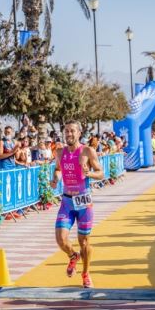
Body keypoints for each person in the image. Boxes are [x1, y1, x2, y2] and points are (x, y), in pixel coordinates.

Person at [50, 121, 104, 288]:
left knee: (84, 242)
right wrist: (56, 178)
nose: (69, 134)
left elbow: (101, 173)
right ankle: (73, 256)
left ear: (79, 133)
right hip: (67, 201)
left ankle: (86, 273)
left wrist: (90, 174)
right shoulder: (59, 151)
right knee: (60, 239)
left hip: (83, 202)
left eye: (72, 131)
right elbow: (58, 169)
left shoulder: (87, 151)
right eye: (66, 131)